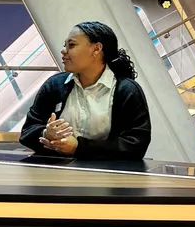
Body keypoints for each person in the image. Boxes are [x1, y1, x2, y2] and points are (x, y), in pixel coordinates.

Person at [19, 21, 151, 160]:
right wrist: (46, 134)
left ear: (96, 49)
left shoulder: (126, 90)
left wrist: (78, 147)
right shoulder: (54, 85)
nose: (63, 51)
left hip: (107, 177)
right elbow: (27, 132)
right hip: (56, 175)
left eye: (72, 45)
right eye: (65, 45)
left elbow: (135, 146)